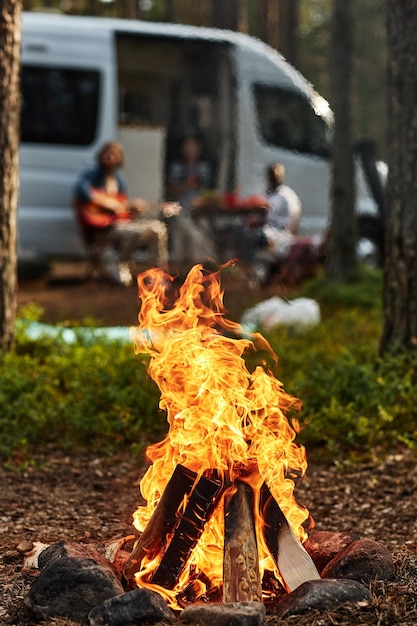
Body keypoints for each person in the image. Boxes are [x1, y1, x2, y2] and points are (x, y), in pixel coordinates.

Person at [73, 141, 169, 285]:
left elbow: (122, 210)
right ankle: (119, 262)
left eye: (113, 154)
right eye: (107, 154)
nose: (109, 157)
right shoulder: (92, 175)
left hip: (121, 224)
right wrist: (106, 202)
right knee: (132, 232)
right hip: (103, 228)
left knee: (158, 229)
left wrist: (133, 209)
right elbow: (81, 190)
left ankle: (156, 274)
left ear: (119, 158)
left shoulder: (119, 180)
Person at [166, 136, 215, 264]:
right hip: (181, 207)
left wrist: (203, 200)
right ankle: (186, 264)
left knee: (204, 232)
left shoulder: (203, 168)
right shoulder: (177, 168)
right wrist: (186, 185)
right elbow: (170, 190)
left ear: (198, 150)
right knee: (191, 233)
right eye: (187, 147)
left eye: (193, 147)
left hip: (200, 208)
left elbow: (207, 191)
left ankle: (202, 264)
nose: (190, 150)